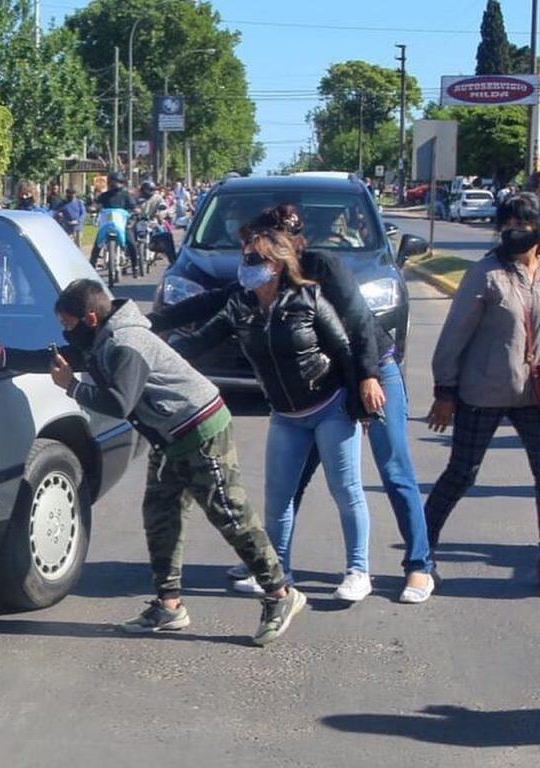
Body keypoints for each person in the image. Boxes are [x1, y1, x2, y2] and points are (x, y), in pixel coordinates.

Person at [0, 279, 305, 645]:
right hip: (169, 436)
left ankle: (280, 594)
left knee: (229, 514)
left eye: (68, 324)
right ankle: (169, 606)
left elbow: (120, 403)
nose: (65, 333)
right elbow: (53, 358)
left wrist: (70, 386)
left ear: (90, 317)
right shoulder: (101, 336)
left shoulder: (125, 343)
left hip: (200, 430)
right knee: (160, 517)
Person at [151, 205, 435, 603]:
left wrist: (364, 387)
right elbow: (208, 306)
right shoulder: (258, 284)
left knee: (392, 468)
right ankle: (272, 561)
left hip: (369, 367)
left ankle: (418, 566)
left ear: (276, 241)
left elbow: (355, 327)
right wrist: (149, 325)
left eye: (251, 243)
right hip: (311, 393)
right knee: (289, 482)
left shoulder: (323, 268)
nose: (245, 253)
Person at [425, 192, 540, 584]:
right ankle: (421, 555)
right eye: (506, 225)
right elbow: (454, 335)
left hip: (533, 395)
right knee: (461, 474)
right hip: (482, 393)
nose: (513, 232)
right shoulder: (486, 273)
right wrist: (445, 391)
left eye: (522, 225)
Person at [90, 171, 139, 277]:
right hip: (107, 223)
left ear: (121, 182)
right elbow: (96, 204)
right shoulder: (104, 195)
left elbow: (134, 206)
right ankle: (91, 266)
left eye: (117, 182)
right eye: (112, 182)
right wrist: (93, 208)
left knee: (131, 243)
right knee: (97, 244)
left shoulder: (126, 195)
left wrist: (136, 210)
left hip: (122, 223)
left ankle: (135, 267)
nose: (114, 184)